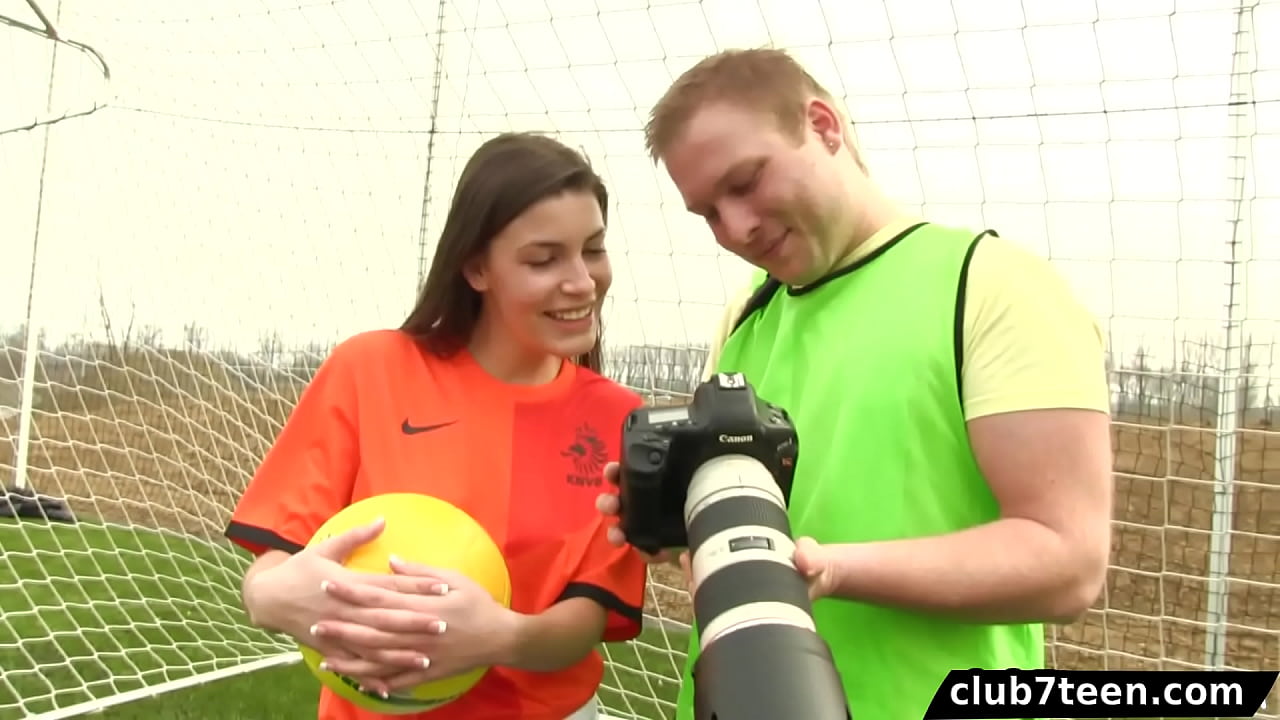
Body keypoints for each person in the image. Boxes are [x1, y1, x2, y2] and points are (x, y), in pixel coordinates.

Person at [595, 48, 1114, 719]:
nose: (737, 228)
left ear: (823, 125)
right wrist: (677, 525)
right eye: (709, 213)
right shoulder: (746, 315)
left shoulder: (991, 286)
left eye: (747, 182)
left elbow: (1067, 562)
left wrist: (834, 570)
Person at [224, 131, 648, 720]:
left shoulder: (621, 419)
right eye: (543, 259)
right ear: (476, 268)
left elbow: (588, 616)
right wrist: (274, 597)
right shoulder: (369, 370)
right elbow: (270, 573)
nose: (581, 281)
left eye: (593, 250)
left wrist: (498, 637)